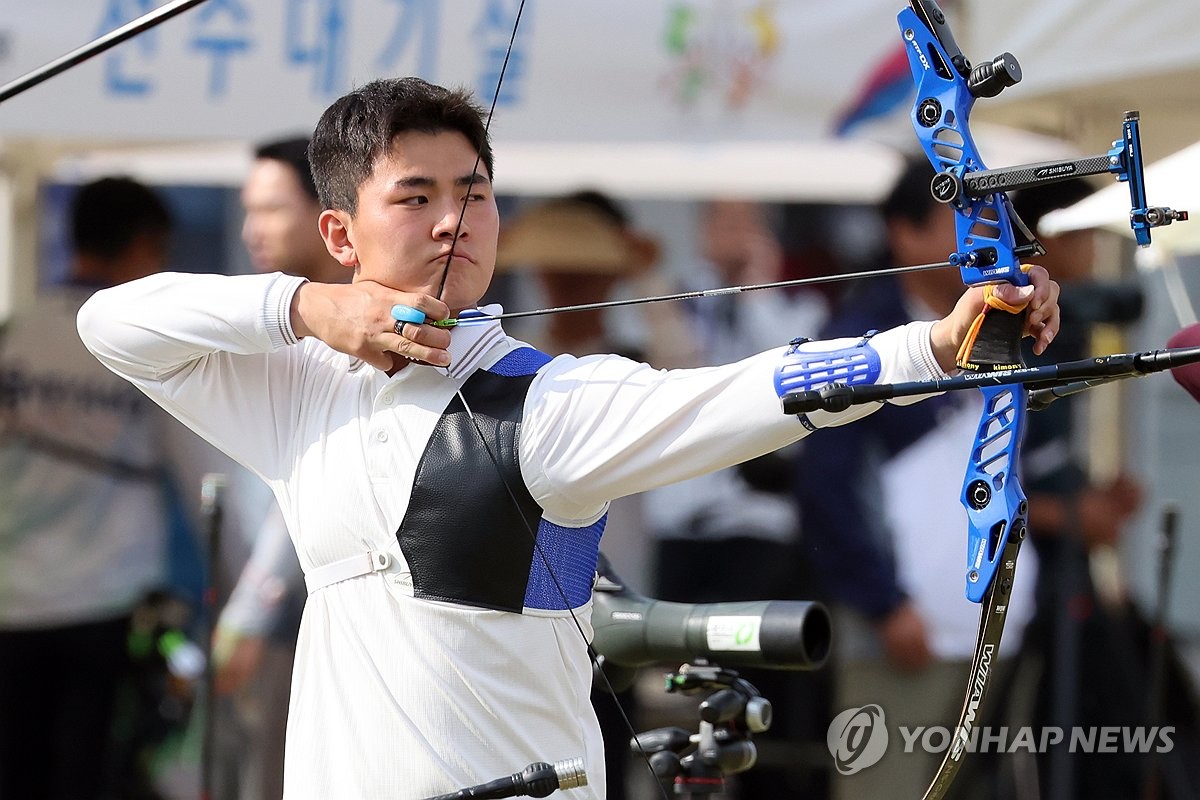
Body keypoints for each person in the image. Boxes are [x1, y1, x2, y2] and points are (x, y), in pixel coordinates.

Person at [76, 77, 1061, 798]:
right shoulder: (296, 392)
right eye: (415, 195)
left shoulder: (551, 404)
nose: (454, 219)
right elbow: (111, 323)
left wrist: (937, 345)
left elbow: (756, 389)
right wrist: (307, 309)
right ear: (341, 235)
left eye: (475, 191)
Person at [793, 157, 1042, 800]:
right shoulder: (854, 336)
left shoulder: (1003, 323)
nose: (987, 233)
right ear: (904, 233)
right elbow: (826, 489)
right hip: (900, 637)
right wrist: (884, 605)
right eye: (962, 217)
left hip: (993, 630)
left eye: (991, 219)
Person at [0, 177, 182, 799]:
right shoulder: (142, 345)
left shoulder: (14, 335)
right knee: (96, 776)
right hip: (110, 599)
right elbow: (195, 471)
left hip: (13, 598)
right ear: (144, 246)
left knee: (16, 772)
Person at [213, 135, 351, 800]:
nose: (251, 230)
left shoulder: (363, 334)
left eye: (270, 209)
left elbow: (299, 490)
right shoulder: (271, 318)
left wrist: (250, 610)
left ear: (330, 218)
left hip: (316, 616)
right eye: (248, 209)